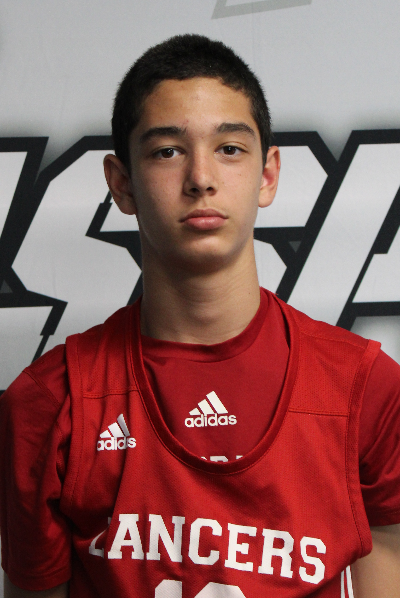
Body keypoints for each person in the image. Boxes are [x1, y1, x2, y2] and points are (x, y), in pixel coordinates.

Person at [1, 34, 400, 598]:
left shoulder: (368, 387)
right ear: (121, 184)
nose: (201, 178)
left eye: (230, 148)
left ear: (267, 175)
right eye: (167, 151)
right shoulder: (49, 403)